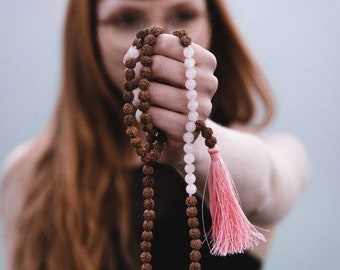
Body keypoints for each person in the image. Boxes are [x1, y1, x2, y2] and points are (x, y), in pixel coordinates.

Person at [1, 0, 309, 269]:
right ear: (85, 37)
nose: (159, 39)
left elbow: (267, 189)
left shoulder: (268, 152)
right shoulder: (28, 177)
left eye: (184, 14)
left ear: (213, 25)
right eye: (126, 19)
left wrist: (191, 143)